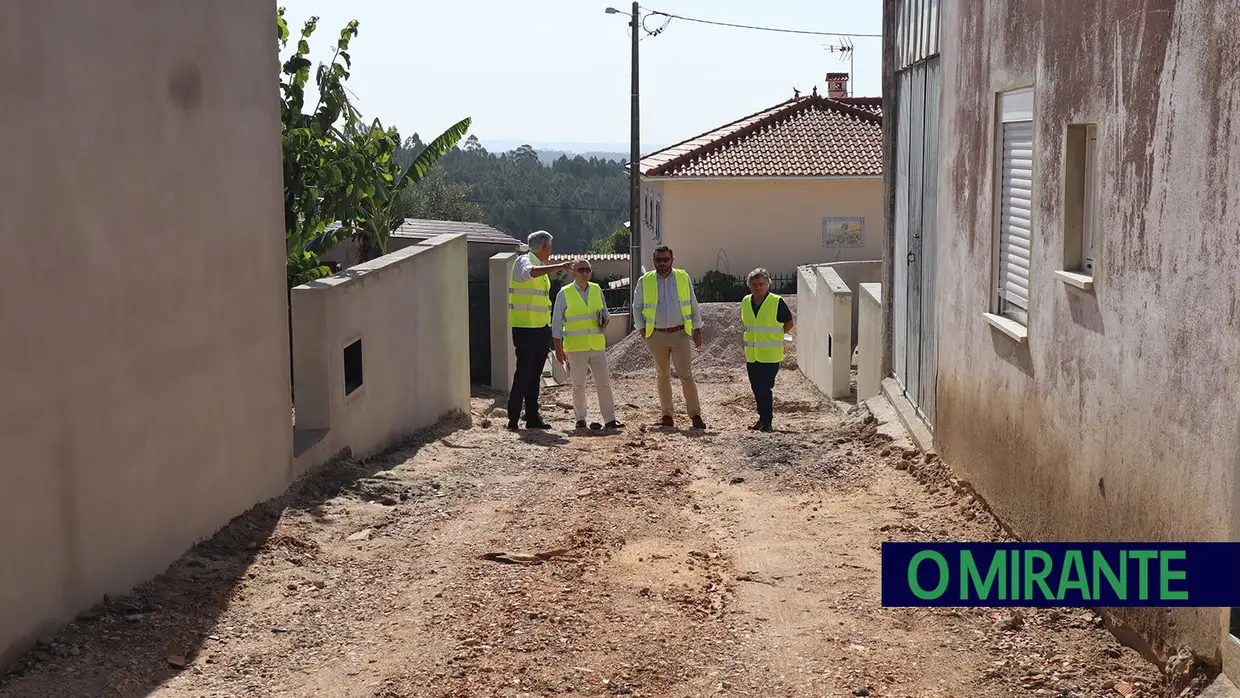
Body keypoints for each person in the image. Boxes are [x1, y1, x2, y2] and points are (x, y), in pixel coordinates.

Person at [633, 245, 707, 430]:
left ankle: (695, 415)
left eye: (666, 260)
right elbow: (637, 306)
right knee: (662, 375)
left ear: (672, 260)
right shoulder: (645, 281)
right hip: (656, 335)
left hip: (680, 333)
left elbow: (693, 302)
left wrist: (697, 330)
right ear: (654, 261)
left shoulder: (683, 277)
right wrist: (641, 328)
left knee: (686, 375)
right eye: (659, 260)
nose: (662, 263)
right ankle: (667, 414)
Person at [507, 230, 574, 431]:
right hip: (525, 328)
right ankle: (513, 417)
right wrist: (559, 267)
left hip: (539, 328)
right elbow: (530, 273)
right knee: (524, 373)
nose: (551, 251)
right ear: (544, 245)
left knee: (534, 374)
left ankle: (532, 416)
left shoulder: (539, 266)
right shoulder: (524, 261)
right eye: (550, 247)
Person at [552, 258, 624, 431]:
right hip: (576, 346)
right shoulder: (564, 293)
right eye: (581, 270)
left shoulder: (597, 289)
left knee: (604, 383)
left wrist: (605, 320)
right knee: (578, 384)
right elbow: (556, 323)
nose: (585, 273)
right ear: (573, 272)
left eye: (587, 270)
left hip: (596, 344)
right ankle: (580, 419)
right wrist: (558, 348)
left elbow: (605, 311)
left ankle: (610, 419)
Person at [741, 267, 795, 432]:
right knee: (756, 388)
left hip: (770, 355)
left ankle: (767, 421)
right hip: (752, 355)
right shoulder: (746, 301)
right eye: (755, 284)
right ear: (750, 286)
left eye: (761, 284)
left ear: (767, 284)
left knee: (765, 388)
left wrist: (777, 335)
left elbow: (789, 322)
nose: (758, 287)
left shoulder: (776, 301)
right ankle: (762, 419)